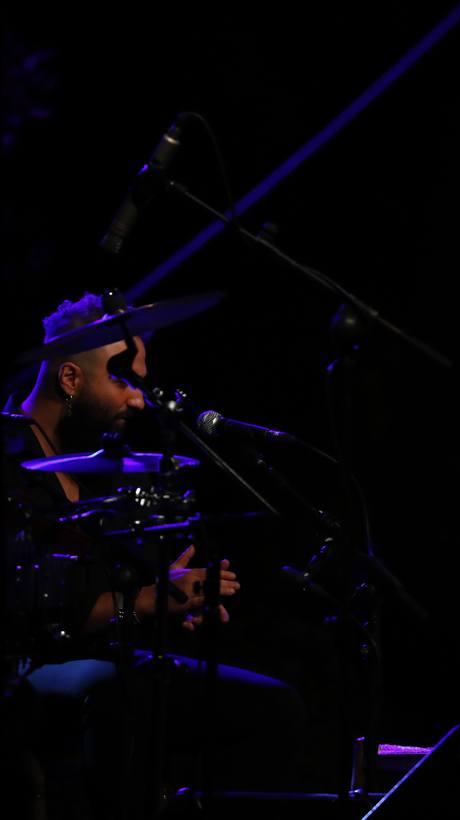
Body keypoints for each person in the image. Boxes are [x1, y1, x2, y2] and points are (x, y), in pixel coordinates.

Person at [2, 292, 299, 817]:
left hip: (88, 659)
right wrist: (139, 602)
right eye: (123, 379)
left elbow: (96, 591)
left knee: (273, 705)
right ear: (70, 379)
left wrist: (172, 597)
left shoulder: (92, 467)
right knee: (126, 702)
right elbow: (25, 604)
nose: (139, 399)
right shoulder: (9, 458)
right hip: (22, 669)